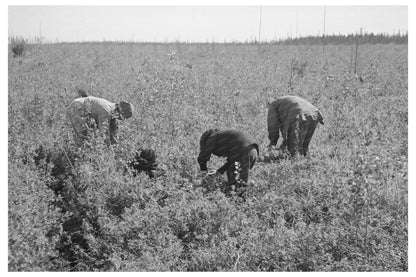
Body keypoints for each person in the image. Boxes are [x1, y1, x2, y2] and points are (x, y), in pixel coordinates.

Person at [67, 96, 133, 146]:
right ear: (120, 112)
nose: (120, 119)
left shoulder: (112, 112)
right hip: (77, 107)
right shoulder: (106, 111)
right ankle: (79, 157)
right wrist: (108, 150)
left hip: (86, 111)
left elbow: (113, 133)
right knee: (83, 137)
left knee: (89, 136)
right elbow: (104, 133)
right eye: (121, 117)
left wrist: (115, 144)